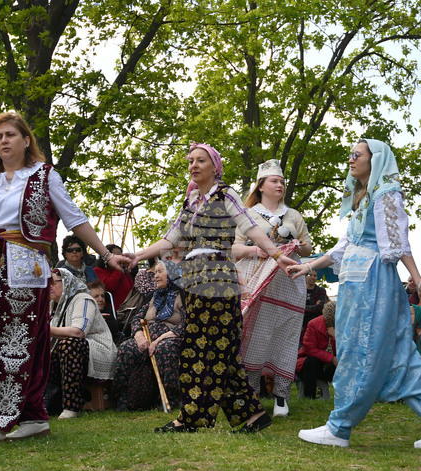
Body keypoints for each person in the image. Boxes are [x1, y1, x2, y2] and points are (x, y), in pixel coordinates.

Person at [0, 111, 128, 445]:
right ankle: (33, 417)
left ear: (26, 140)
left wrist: (107, 253)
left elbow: (74, 217)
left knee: (16, 339)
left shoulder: (44, 175)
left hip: (28, 264)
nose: (3, 141)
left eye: (10, 135)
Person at [287, 139, 421, 449]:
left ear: (376, 159)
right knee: (398, 353)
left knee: (359, 350)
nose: (351, 160)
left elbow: (397, 243)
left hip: (371, 286)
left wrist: (419, 280)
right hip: (359, 282)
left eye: (358, 155)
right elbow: (345, 246)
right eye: (350, 155)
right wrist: (308, 266)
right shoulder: (365, 198)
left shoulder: (385, 196)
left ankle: (339, 427)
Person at [130, 142, 295, 433]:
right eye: (191, 161)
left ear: (214, 166)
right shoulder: (191, 200)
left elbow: (250, 228)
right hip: (193, 279)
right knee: (221, 349)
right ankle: (254, 416)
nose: (193, 165)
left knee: (199, 348)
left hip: (217, 276)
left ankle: (190, 419)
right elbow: (171, 238)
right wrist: (138, 255)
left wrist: (277, 254)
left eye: (201, 161)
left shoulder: (224, 193)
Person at [233, 159, 313, 417]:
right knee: (255, 335)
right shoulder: (247, 215)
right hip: (256, 280)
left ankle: (281, 396)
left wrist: (296, 245)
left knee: (286, 336)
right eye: (274, 181)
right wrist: (259, 249)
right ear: (261, 186)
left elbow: (308, 247)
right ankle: (252, 392)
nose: (280, 185)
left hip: (288, 283)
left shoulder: (294, 215)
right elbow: (233, 249)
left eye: (282, 181)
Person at [112, 260, 184, 411]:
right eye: (155, 273)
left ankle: (171, 399)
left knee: (165, 348)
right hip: (147, 336)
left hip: (170, 337)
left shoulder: (183, 295)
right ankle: (123, 401)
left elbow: (188, 323)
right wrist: (139, 337)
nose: (156, 276)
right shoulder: (153, 296)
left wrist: (159, 340)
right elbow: (138, 318)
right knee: (127, 348)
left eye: (160, 272)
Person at [47, 269, 117, 419]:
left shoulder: (82, 299)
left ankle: (72, 407)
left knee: (70, 344)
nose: (50, 286)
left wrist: (43, 329)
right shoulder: (55, 306)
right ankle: (46, 404)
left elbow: (79, 332)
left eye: (53, 282)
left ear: (66, 283)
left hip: (98, 349)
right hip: (75, 352)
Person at [296, 300, 337, 399]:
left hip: (331, 366)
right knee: (311, 362)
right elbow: (309, 349)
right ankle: (309, 397)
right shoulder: (313, 324)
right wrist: (331, 358)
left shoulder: (343, 326)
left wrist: (337, 337)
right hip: (309, 366)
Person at [93, 244, 134, 312]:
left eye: (121, 256)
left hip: (128, 309)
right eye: (116, 256)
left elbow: (132, 290)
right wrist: (118, 268)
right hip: (112, 311)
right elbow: (109, 286)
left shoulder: (124, 272)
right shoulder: (98, 271)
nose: (119, 259)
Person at [86, 280, 122, 345]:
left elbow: (115, 329)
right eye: (96, 296)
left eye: (102, 296)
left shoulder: (108, 312)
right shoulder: (83, 314)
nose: (101, 299)